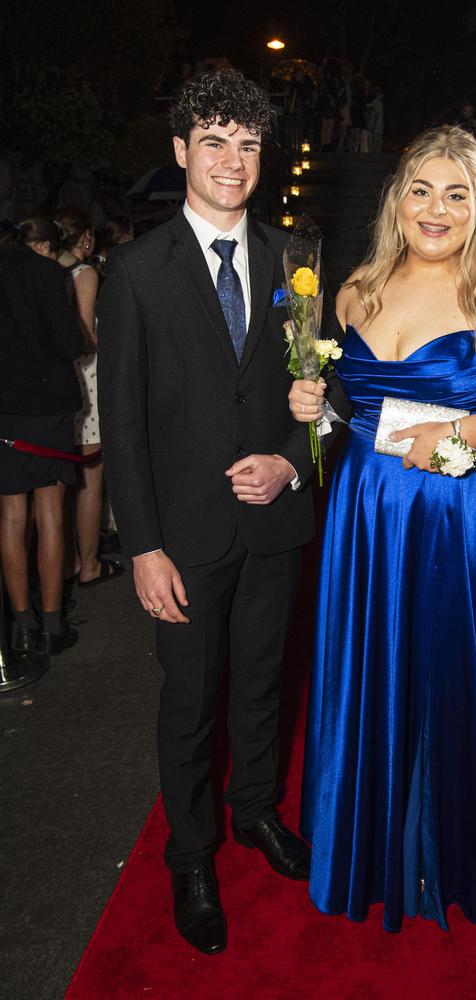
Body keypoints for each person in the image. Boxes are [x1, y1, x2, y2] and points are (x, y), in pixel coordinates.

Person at [289, 125, 476, 933]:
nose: (436, 208)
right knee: (374, 669)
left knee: (458, 670)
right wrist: (313, 405)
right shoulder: (354, 289)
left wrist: (456, 435)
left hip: (464, 513)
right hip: (366, 516)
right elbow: (349, 399)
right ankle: (374, 837)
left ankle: (463, 849)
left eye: (457, 194)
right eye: (421, 188)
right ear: (396, 198)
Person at [97, 68, 350, 956]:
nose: (232, 160)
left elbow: (321, 394)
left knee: (262, 685)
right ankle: (192, 855)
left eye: (247, 144)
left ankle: (255, 815)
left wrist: (291, 464)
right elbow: (122, 427)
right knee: (189, 702)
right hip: (185, 538)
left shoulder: (297, 260)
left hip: (274, 525)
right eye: (214, 142)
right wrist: (144, 548)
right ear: (180, 152)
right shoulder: (134, 272)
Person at [0, 217, 84, 654]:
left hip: (4, 407)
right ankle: (51, 624)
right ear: (46, 246)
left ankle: (23, 623)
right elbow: (70, 341)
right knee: (50, 512)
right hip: (47, 401)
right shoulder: (47, 273)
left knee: (12, 515)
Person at [56, 207, 123, 588]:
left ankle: (66, 559)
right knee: (90, 478)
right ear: (85, 239)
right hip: (88, 377)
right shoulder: (84, 274)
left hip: (62, 378)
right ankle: (89, 563)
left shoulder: (50, 269)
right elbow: (86, 336)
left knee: (65, 479)